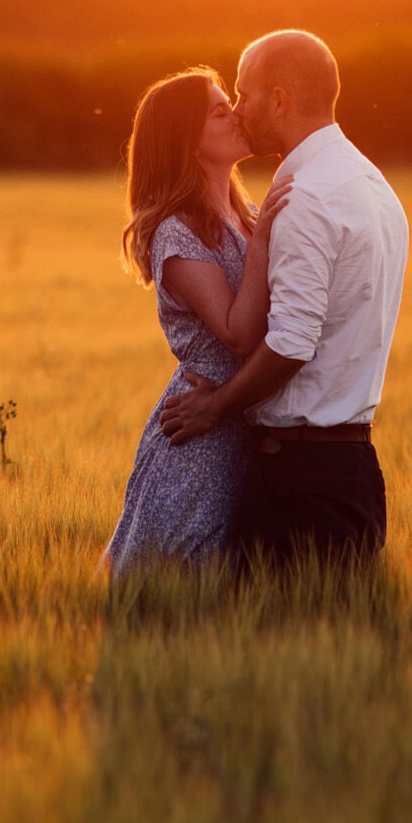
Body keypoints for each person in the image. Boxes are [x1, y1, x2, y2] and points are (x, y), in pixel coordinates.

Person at [159, 30, 409, 572]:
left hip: (300, 481)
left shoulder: (306, 197)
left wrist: (216, 407)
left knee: (262, 644)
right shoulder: (371, 183)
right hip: (352, 466)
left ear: (279, 99)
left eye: (244, 95)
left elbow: (292, 343)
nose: (240, 110)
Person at [101, 67, 295, 578]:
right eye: (218, 110)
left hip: (240, 419)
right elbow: (238, 332)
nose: (235, 113)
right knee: (185, 578)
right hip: (200, 436)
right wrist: (266, 240)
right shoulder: (176, 231)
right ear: (187, 142)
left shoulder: (244, 211)